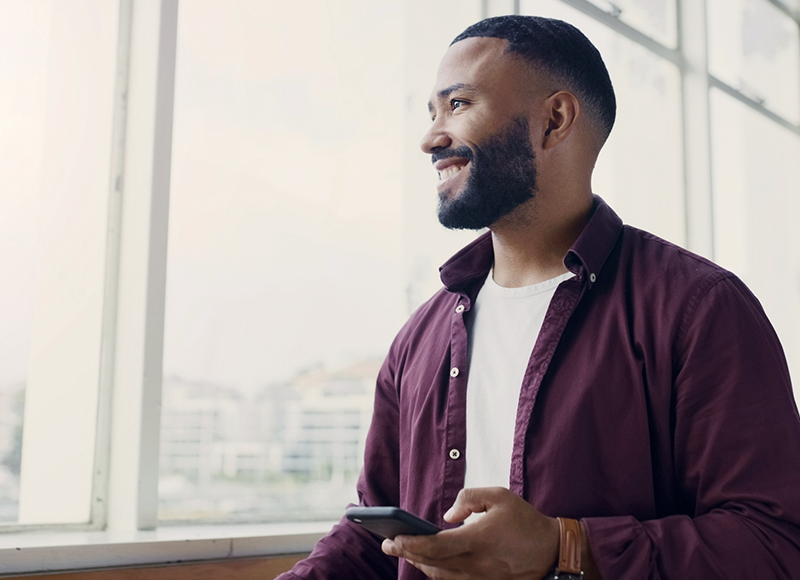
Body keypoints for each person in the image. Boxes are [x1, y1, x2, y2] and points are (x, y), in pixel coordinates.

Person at [277, 15, 800, 580]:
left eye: (458, 105)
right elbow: (372, 541)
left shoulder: (701, 310)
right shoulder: (419, 339)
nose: (430, 138)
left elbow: (773, 544)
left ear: (554, 120)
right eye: (431, 112)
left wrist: (563, 546)